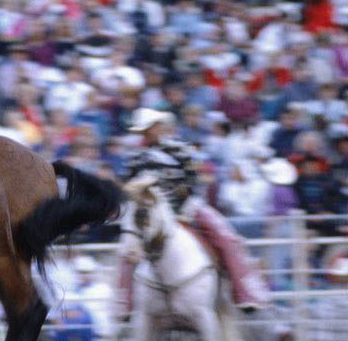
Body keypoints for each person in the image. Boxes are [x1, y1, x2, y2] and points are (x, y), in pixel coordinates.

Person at [116, 107, 271, 317]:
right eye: (142, 131)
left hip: (184, 206)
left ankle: (246, 292)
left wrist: (175, 201)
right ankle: (123, 303)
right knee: (128, 247)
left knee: (226, 237)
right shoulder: (135, 157)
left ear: (158, 127)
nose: (144, 135)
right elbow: (130, 187)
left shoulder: (179, 148)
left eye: (148, 129)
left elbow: (193, 178)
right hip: (150, 212)